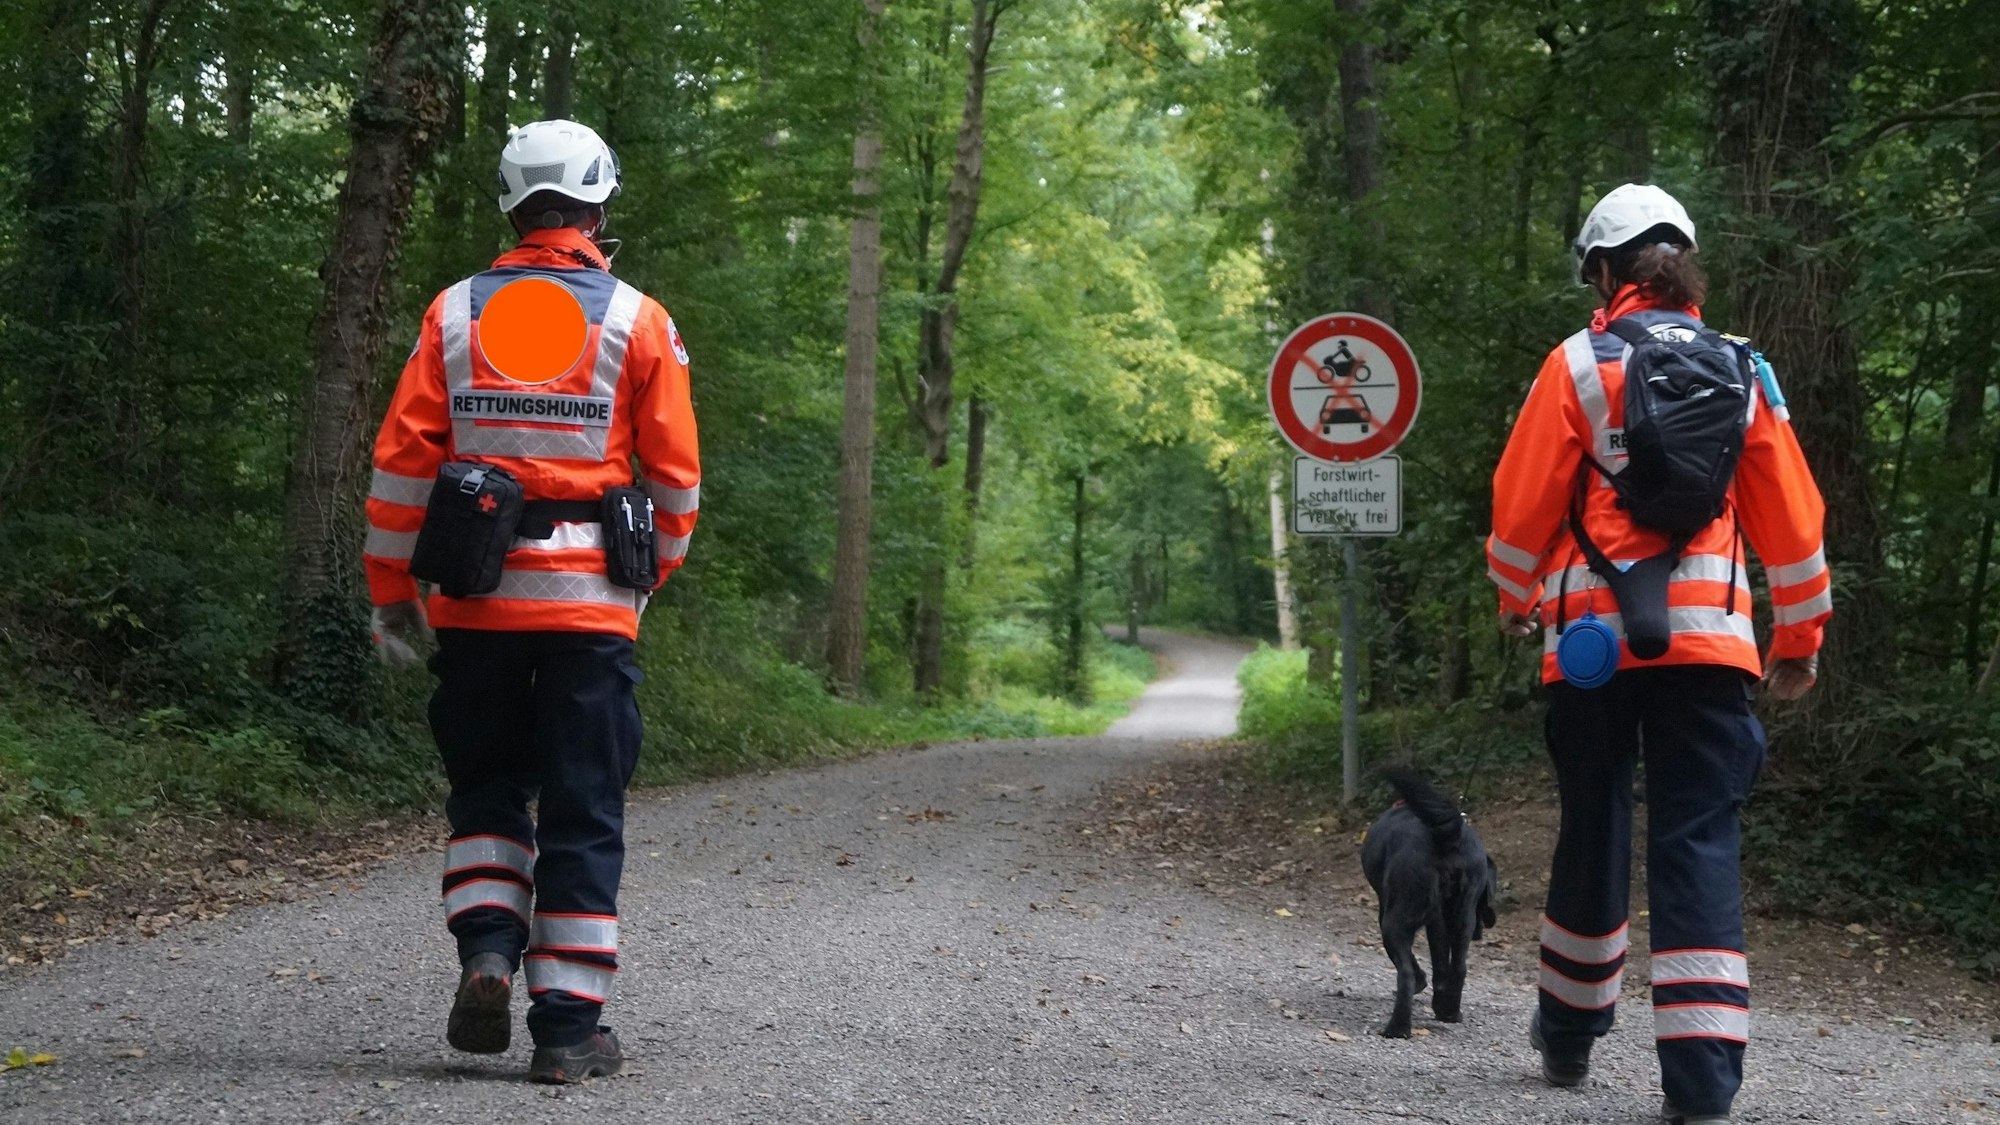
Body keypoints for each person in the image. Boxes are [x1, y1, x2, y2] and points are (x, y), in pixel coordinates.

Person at [362, 119, 701, 1083]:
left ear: (511, 205)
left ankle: (486, 954)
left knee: (485, 790)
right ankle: (565, 1030)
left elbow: (401, 470)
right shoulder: (639, 318)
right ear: (598, 204)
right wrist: (645, 578)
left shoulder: (453, 315)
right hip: (593, 614)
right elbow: (676, 481)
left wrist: (394, 592)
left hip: (476, 609)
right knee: (586, 808)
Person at [1484, 183, 1830, 1125]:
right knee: (1699, 841)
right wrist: (1797, 638)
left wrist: (1516, 600)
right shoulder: (1742, 365)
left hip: (1591, 649)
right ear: (1683, 262)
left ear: (1603, 272)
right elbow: (1794, 526)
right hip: (1713, 648)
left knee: (1592, 825)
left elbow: (1519, 511)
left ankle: (1567, 1034)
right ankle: (1702, 1087)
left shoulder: (1578, 364)